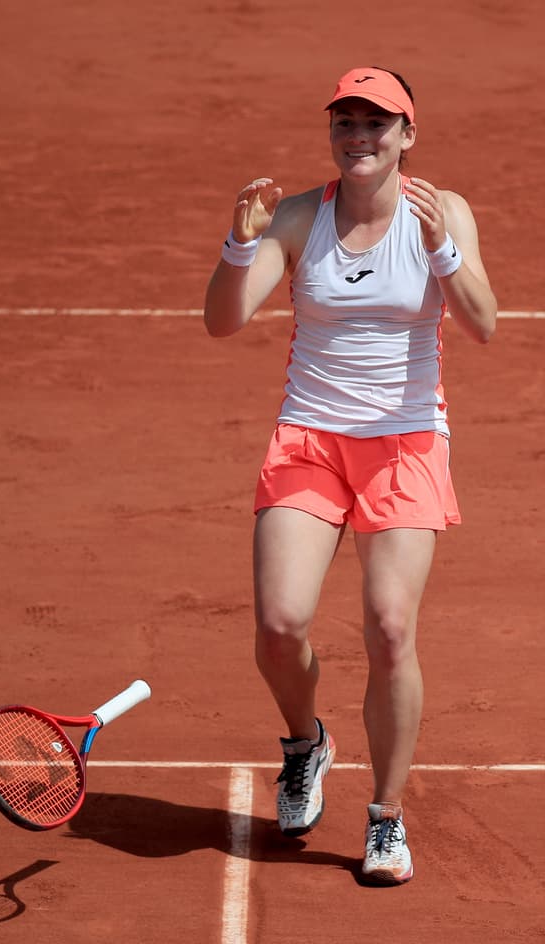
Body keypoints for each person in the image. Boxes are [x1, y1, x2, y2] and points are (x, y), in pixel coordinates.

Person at [203, 66, 496, 885]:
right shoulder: (300, 216)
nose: (358, 136)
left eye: (377, 123)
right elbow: (223, 322)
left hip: (404, 445)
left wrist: (442, 249)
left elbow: (482, 322)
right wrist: (239, 243)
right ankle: (306, 743)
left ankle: (386, 818)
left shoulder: (442, 213)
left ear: (407, 135)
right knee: (280, 626)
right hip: (311, 441)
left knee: (391, 627)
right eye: (346, 123)